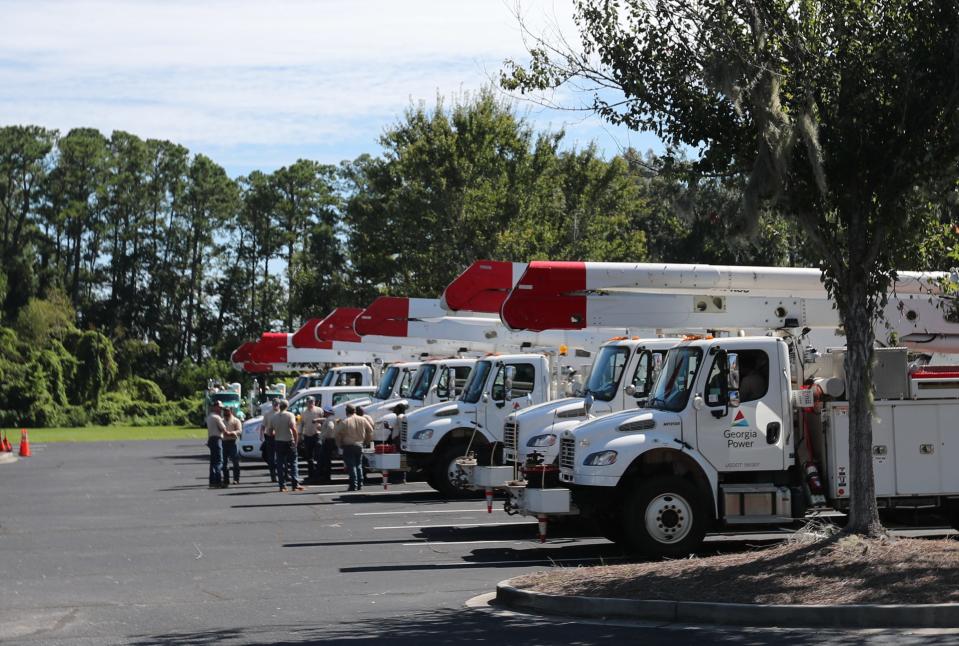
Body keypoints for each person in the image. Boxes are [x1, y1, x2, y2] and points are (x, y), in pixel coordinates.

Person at [334, 403, 373, 491]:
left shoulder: (345, 421)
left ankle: (353, 484)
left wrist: (339, 444)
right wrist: (366, 441)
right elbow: (370, 430)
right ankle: (360, 483)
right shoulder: (363, 419)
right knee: (358, 465)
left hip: (348, 446)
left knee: (351, 466)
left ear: (346, 411)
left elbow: (337, 434)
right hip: (359, 445)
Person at [271, 399, 304, 492]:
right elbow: (293, 428)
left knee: (280, 464)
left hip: (278, 441)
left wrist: (277, 433)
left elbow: (270, 431)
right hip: (289, 441)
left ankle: (282, 486)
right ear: (287, 406)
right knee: (293, 463)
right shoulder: (290, 415)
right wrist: (296, 441)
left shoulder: (274, 417)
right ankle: (295, 484)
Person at [299, 396, 321, 483]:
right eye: (309, 402)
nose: (311, 403)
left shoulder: (319, 410)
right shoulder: (303, 413)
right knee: (309, 457)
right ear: (306, 403)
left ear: (314, 402)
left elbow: (324, 421)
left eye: (312, 402)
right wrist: (300, 435)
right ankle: (311, 475)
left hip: (317, 435)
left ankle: (319, 474)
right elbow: (301, 424)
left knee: (318, 456)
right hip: (307, 436)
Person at [205, 401, 226, 489]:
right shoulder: (217, 417)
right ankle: (218, 480)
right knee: (219, 461)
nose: (221, 409)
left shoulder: (209, 416)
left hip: (211, 439)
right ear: (215, 407)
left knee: (213, 461)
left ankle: (212, 481)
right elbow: (223, 428)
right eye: (219, 407)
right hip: (217, 439)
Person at [221, 407, 242, 486]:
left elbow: (239, 431)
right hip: (224, 442)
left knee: (235, 462)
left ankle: (236, 479)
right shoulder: (222, 421)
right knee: (224, 462)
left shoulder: (236, 420)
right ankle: (226, 479)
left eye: (227, 411)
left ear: (231, 412)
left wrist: (232, 433)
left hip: (233, 442)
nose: (226, 413)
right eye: (225, 411)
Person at [317, 405, 337, 484]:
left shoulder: (330, 420)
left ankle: (326, 477)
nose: (323, 412)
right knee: (326, 460)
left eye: (325, 411)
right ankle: (325, 476)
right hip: (330, 441)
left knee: (325, 460)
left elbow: (330, 427)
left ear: (327, 412)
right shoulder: (331, 418)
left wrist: (326, 436)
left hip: (328, 441)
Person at [260, 399, 279, 483]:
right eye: (274, 404)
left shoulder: (281, 413)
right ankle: (273, 476)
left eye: (277, 404)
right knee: (271, 458)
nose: (276, 406)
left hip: (280, 437)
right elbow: (263, 426)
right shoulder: (268, 414)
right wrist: (261, 435)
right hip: (270, 437)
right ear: (272, 404)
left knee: (281, 457)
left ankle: (284, 475)